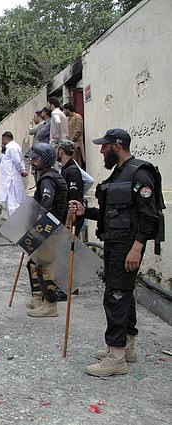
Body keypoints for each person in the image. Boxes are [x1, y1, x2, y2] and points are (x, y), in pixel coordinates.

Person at [69, 128, 162, 377]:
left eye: (104, 146)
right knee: (124, 295)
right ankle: (127, 347)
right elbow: (111, 215)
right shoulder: (118, 174)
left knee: (116, 297)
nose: (101, 151)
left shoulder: (139, 173)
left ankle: (116, 357)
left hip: (127, 246)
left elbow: (149, 215)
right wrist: (84, 212)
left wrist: (137, 247)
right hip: (114, 243)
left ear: (117, 146)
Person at [24, 143, 68, 317]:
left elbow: (45, 205)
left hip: (49, 228)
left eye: (36, 158)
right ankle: (38, 298)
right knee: (33, 264)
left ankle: (50, 304)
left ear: (46, 159)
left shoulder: (48, 179)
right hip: (48, 227)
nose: (33, 162)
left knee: (45, 266)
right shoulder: (48, 176)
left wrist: (36, 228)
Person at [0, 131, 27, 218]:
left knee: (13, 204)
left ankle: (15, 224)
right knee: (10, 203)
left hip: (11, 181)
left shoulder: (12, 147)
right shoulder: (7, 150)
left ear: (4, 139)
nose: (1, 143)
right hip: (7, 181)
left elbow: (18, 161)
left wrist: (22, 171)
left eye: (2, 140)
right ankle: (13, 223)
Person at [57, 139, 85, 235]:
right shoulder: (65, 169)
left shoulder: (72, 171)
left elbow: (73, 199)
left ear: (61, 151)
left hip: (71, 220)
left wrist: (68, 223)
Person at [63, 103, 85, 168]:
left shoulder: (77, 117)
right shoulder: (67, 118)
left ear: (67, 109)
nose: (64, 112)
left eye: (64, 110)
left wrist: (72, 141)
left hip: (76, 144)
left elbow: (78, 130)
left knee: (77, 163)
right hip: (69, 145)